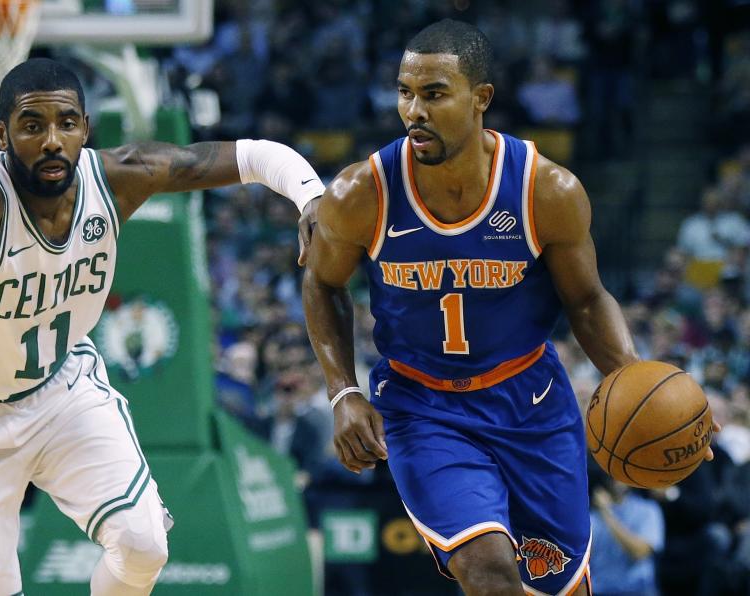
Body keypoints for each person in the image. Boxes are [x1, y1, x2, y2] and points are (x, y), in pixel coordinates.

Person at [0, 58, 325, 596]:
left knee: (143, 544)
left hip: (61, 394)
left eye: (66, 123)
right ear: (2, 134)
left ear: (86, 127)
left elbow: (250, 156)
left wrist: (312, 196)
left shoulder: (117, 177)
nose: (51, 140)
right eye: (32, 124)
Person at [301, 19, 714, 596]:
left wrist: (641, 385)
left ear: (481, 99)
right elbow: (321, 284)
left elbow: (588, 301)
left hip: (532, 404)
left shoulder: (547, 191)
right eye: (405, 92)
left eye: (435, 94)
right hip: (423, 408)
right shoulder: (361, 193)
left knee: (558, 588)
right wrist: (343, 391)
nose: (413, 110)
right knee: (489, 571)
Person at [589, 478, 664, 596]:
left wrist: (607, 514)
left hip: (638, 590)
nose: (616, 480)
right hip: (600, 590)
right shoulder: (590, 516)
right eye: (611, 475)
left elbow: (639, 552)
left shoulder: (648, 509)